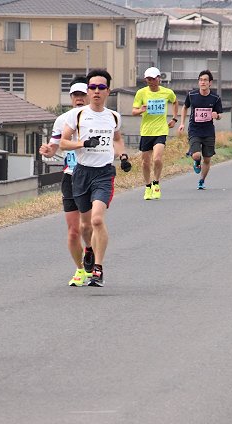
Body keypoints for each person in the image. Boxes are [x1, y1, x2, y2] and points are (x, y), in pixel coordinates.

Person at [60, 69, 132, 287]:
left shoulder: (113, 117)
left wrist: (123, 155)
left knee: (97, 219)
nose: (96, 91)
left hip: (104, 174)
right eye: (92, 87)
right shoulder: (77, 115)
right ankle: (89, 249)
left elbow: (117, 139)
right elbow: (63, 142)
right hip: (82, 173)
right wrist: (83, 143)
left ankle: (98, 269)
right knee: (85, 226)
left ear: (108, 91)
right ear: (88, 91)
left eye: (101, 87)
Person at [39, 77, 95, 287]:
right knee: (73, 230)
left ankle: (92, 255)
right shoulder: (61, 120)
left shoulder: (97, 118)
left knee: (89, 225)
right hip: (70, 176)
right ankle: (80, 269)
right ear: (71, 98)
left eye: (83, 95)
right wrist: (47, 150)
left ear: (89, 96)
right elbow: (53, 147)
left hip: (91, 175)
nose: (79, 99)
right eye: (75, 96)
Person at [132, 67, 177, 200]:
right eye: (148, 79)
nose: (150, 81)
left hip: (161, 130)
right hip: (146, 131)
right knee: (145, 163)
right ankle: (147, 187)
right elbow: (133, 111)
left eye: (153, 79)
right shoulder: (141, 93)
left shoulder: (167, 92)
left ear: (158, 78)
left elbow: (175, 101)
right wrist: (141, 110)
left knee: (157, 159)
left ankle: (156, 183)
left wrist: (174, 118)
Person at [178, 70, 223, 188]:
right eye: (201, 80)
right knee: (196, 155)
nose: (202, 82)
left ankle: (202, 181)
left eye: (205, 80)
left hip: (208, 131)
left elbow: (220, 115)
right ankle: (196, 161)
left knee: (207, 159)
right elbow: (184, 107)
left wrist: (217, 116)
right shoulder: (192, 95)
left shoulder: (215, 98)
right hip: (194, 130)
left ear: (210, 83)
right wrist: (182, 123)